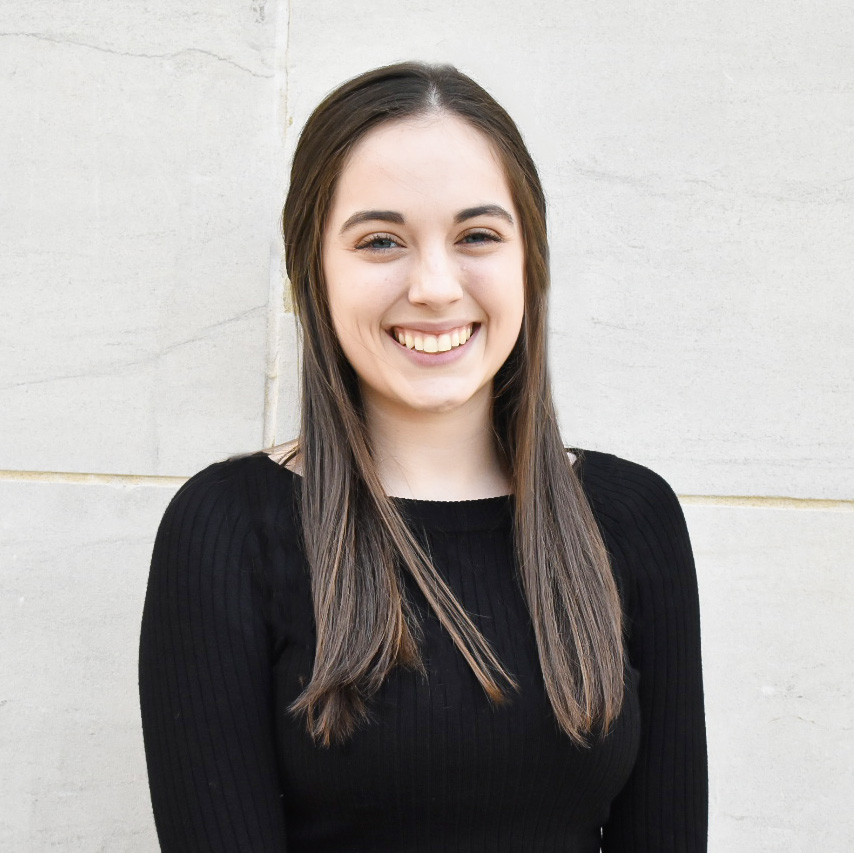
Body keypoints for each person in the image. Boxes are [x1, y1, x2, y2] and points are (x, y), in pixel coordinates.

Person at [139, 62, 707, 851]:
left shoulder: (631, 518)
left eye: (476, 235)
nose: (436, 286)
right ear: (315, 272)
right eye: (381, 240)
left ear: (527, 261)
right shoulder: (227, 531)